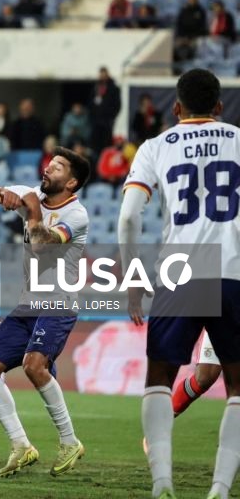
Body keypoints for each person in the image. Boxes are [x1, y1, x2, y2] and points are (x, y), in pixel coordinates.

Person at [117, 68, 240, 499]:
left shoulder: (155, 146)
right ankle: (221, 490)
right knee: (238, 387)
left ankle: (162, 484)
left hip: (181, 270)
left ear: (176, 108)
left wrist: (134, 278)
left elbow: (130, 216)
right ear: (220, 107)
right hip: (234, 269)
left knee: (159, 377)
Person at [0, 147, 90, 478]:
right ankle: (21, 445)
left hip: (59, 302)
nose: (48, 169)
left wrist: (30, 208)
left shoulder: (76, 216)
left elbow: (41, 244)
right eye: (50, 164)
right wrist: (1, 194)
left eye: (58, 168)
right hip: (27, 304)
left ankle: (69, 441)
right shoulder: (30, 194)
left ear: (72, 182)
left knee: (35, 366)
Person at [89, 67, 121, 153]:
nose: (102, 77)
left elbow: (117, 105)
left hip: (107, 122)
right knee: (96, 145)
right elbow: (91, 104)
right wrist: (92, 118)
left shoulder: (114, 88)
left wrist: (111, 118)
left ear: (107, 75)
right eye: (101, 75)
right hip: (96, 122)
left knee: (106, 144)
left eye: (104, 74)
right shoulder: (95, 88)